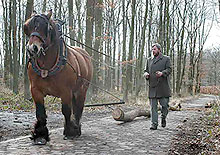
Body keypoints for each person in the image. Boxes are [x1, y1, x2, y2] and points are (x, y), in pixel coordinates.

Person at [143, 43, 172, 130]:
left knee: (165, 106)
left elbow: (169, 69)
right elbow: (145, 70)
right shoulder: (149, 60)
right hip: (152, 86)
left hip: (163, 87)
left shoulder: (166, 59)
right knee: (153, 107)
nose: (153, 51)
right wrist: (146, 74)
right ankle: (154, 124)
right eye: (152, 49)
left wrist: (162, 73)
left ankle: (163, 117)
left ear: (159, 50)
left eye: (154, 49)